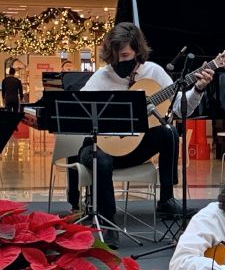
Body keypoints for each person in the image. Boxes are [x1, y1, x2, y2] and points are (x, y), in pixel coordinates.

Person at [69, 22, 213, 248]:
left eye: (125, 55)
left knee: (169, 132)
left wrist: (198, 90)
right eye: (115, 56)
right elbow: (81, 112)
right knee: (101, 159)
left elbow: (178, 108)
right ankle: (109, 225)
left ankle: (166, 199)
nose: (120, 62)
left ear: (137, 51)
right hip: (99, 147)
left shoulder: (154, 72)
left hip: (134, 148)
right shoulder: (101, 76)